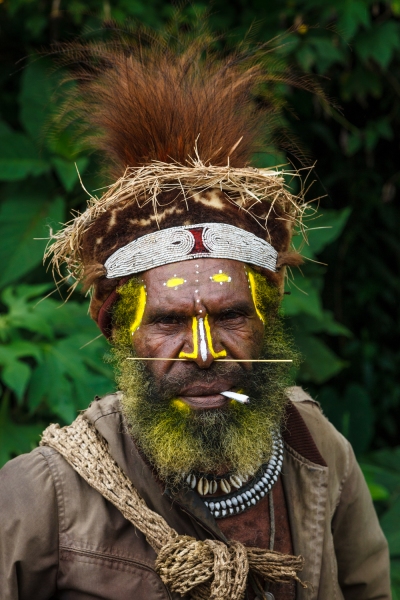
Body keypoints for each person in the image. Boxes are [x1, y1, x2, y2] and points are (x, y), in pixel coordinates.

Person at [0, 25, 390, 600]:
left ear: (269, 320)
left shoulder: (319, 451)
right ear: (117, 329)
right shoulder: (44, 498)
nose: (204, 352)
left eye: (231, 315)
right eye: (168, 321)